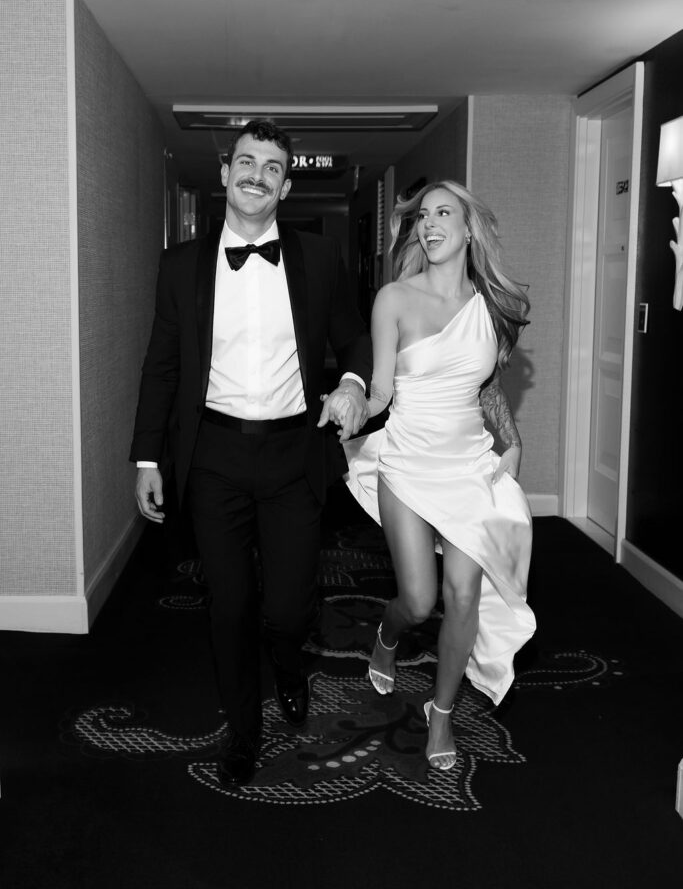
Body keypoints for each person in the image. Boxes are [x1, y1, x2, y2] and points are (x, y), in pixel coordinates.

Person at [130, 119, 371, 786]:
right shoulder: (179, 265)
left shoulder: (320, 258)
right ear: (224, 174)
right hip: (214, 458)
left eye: (271, 167)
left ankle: (288, 661)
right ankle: (242, 729)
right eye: (246, 161)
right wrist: (148, 458)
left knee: (289, 607)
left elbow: (353, 339)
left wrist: (352, 384)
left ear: (286, 184)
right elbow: (162, 366)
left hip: (296, 455)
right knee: (228, 604)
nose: (256, 175)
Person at [342, 179, 536, 772]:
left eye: (443, 212)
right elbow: (380, 392)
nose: (429, 223)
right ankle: (388, 633)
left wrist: (515, 443)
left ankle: (442, 712)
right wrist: (350, 398)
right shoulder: (395, 299)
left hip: (469, 465)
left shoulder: (494, 306)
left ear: (468, 226)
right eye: (422, 215)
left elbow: (488, 388)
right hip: (407, 461)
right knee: (421, 601)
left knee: (464, 593)